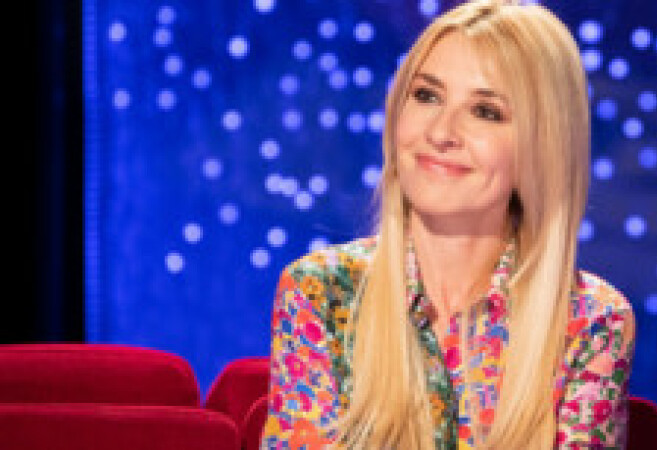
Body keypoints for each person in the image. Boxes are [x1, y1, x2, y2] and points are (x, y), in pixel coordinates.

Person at [261, 0, 636, 448]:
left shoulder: (591, 322)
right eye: (427, 96)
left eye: (486, 112)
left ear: (542, 147)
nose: (440, 133)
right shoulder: (322, 293)